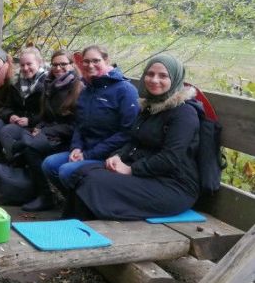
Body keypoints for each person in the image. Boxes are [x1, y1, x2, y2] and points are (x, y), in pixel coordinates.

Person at [69, 54, 199, 220]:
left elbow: (171, 158)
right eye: (150, 74)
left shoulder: (184, 113)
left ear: (175, 78)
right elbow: (133, 140)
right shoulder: (150, 106)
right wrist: (118, 156)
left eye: (163, 76)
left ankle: (85, 232)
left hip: (174, 186)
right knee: (83, 172)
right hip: (149, 174)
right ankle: (70, 228)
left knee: (95, 182)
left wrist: (131, 169)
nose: (154, 80)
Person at [41, 45, 139, 197]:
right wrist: (76, 147)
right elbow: (80, 124)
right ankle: (75, 200)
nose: (90, 65)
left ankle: (86, 204)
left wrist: (89, 155)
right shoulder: (87, 89)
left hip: (110, 155)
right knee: (50, 164)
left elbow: (127, 132)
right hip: (85, 150)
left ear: (107, 61)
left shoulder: (124, 90)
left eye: (96, 60)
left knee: (66, 171)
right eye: (86, 61)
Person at [8, 50, 83, 211]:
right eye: (55, 64)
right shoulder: (50, 84)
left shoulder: (78, 88)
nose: (58, 68)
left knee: (30, 148)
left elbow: (75, 125)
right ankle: (30, 190)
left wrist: (45, 132)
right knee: (20, 145)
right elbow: (45, 115)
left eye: (63, 64)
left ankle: (46, 196)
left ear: (72, 65)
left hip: (69, 139)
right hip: (51, 133)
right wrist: (39, 127)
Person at [0, 46, 46, 168]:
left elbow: (48, 113)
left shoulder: (47, 83)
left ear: (39, 62)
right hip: (16, 121)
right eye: (22, 65)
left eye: (29, 64)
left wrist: (30, 120)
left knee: (7, 132)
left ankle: (16, 166)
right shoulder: (15, 81)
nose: (25, 68)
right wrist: (10, 115)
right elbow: (7, 106)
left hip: (35, 124)